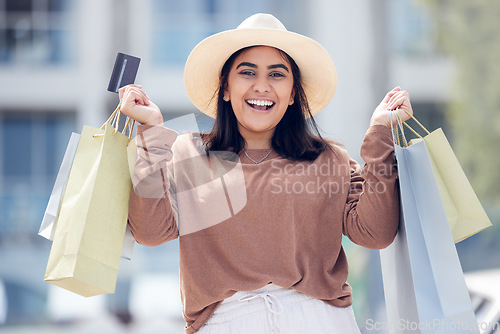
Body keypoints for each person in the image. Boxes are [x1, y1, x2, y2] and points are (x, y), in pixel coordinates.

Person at [120, 13, 413, 334]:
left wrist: (380, 134)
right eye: (247, 72)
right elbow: (150, 233)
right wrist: (151, 133)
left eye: (277, 74)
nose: (262, 85)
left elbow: (375, 234)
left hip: (320, 321)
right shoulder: (191, 154)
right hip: (225, 323)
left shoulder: (328, 159)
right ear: (226, 89)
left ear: (292, 94)